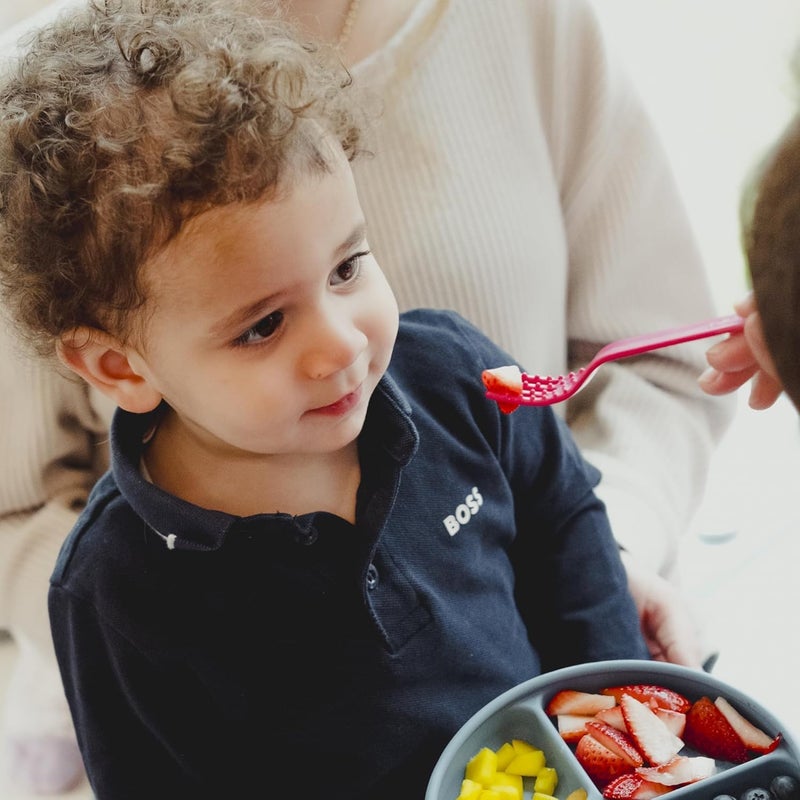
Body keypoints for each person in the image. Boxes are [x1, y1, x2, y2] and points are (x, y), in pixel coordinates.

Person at [0, 0, 734, 792]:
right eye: (264, 326)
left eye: (347, 268)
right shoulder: (112, 591)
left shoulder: (461, 382)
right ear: (118, 369)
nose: (344, 345)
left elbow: (570, 537)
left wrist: (627, 729)